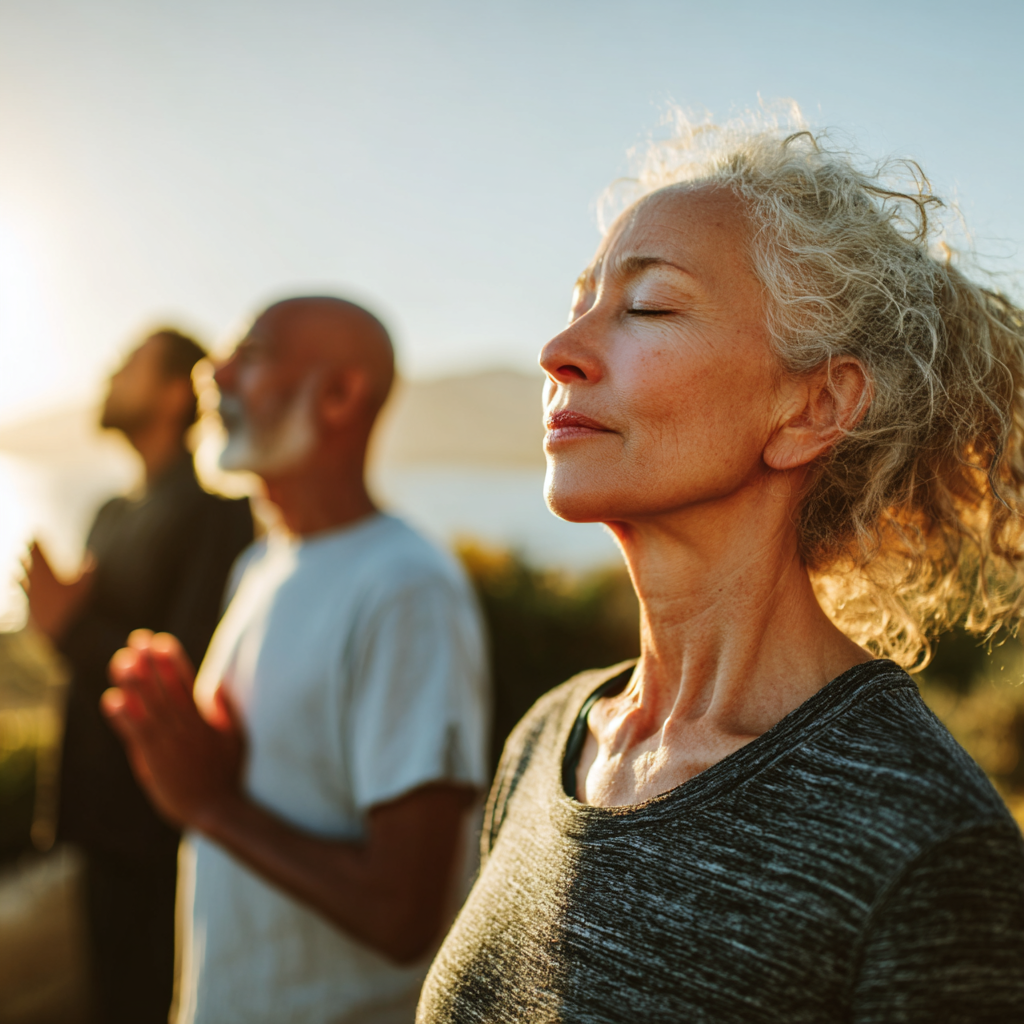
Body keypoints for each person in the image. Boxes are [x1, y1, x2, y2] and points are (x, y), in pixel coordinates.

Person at [416, 114, 1024, 1022]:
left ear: (814, 408)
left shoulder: (922, 843)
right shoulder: (550, 740)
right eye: (581, 301)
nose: (557, 352)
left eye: (649, 306)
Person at [101, 296, 490, 1024]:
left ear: (338, 395)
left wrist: (211, 804)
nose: (215, 373)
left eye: (249, 356)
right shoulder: (259, 564)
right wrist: (200, 757)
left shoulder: (407, 587)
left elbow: (404, 915)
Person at [22, 328, 254, 1024]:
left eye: (129, 365)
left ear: (174, 394)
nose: (110, 374)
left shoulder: (217, 518)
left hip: (160, 825)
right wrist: (61, 626)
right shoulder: (110, 512)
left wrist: (68, 626)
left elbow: (188, 667)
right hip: (96, 818)